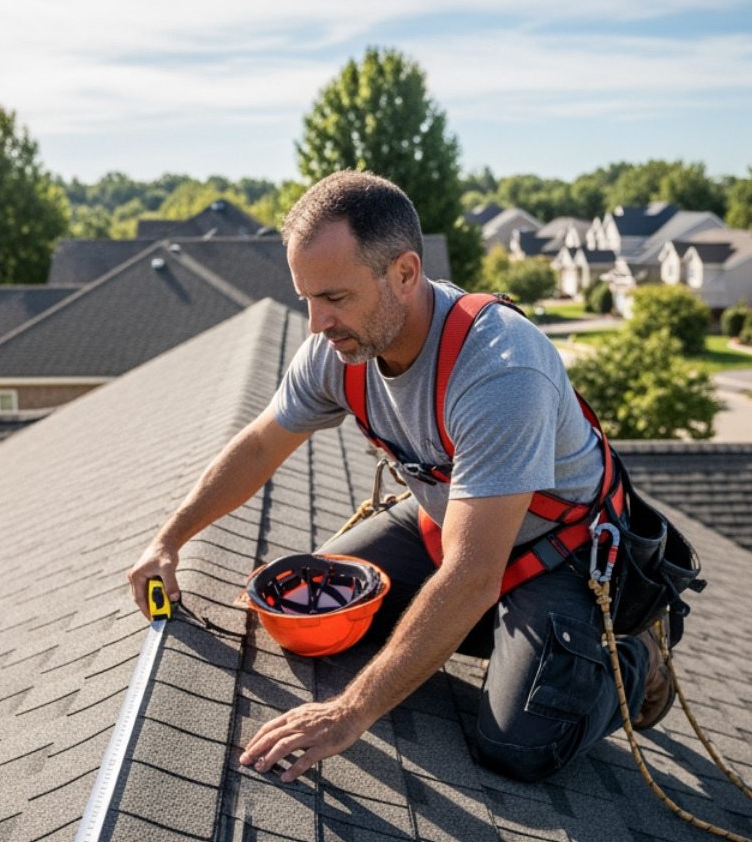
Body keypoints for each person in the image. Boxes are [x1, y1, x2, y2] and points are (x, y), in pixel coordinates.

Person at [127, 170, 669, 784]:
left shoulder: (500, 372)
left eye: (334, 297)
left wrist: (346, 714)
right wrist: (168, 540)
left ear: (405, 274)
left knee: (520, 744)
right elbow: (258, 448)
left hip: (558, 550)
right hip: (452, 521)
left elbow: (471, 575)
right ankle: (504, 640)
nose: (316, 322)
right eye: (307, 298)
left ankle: (633, 654)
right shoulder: (340, 350)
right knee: (317, 616)